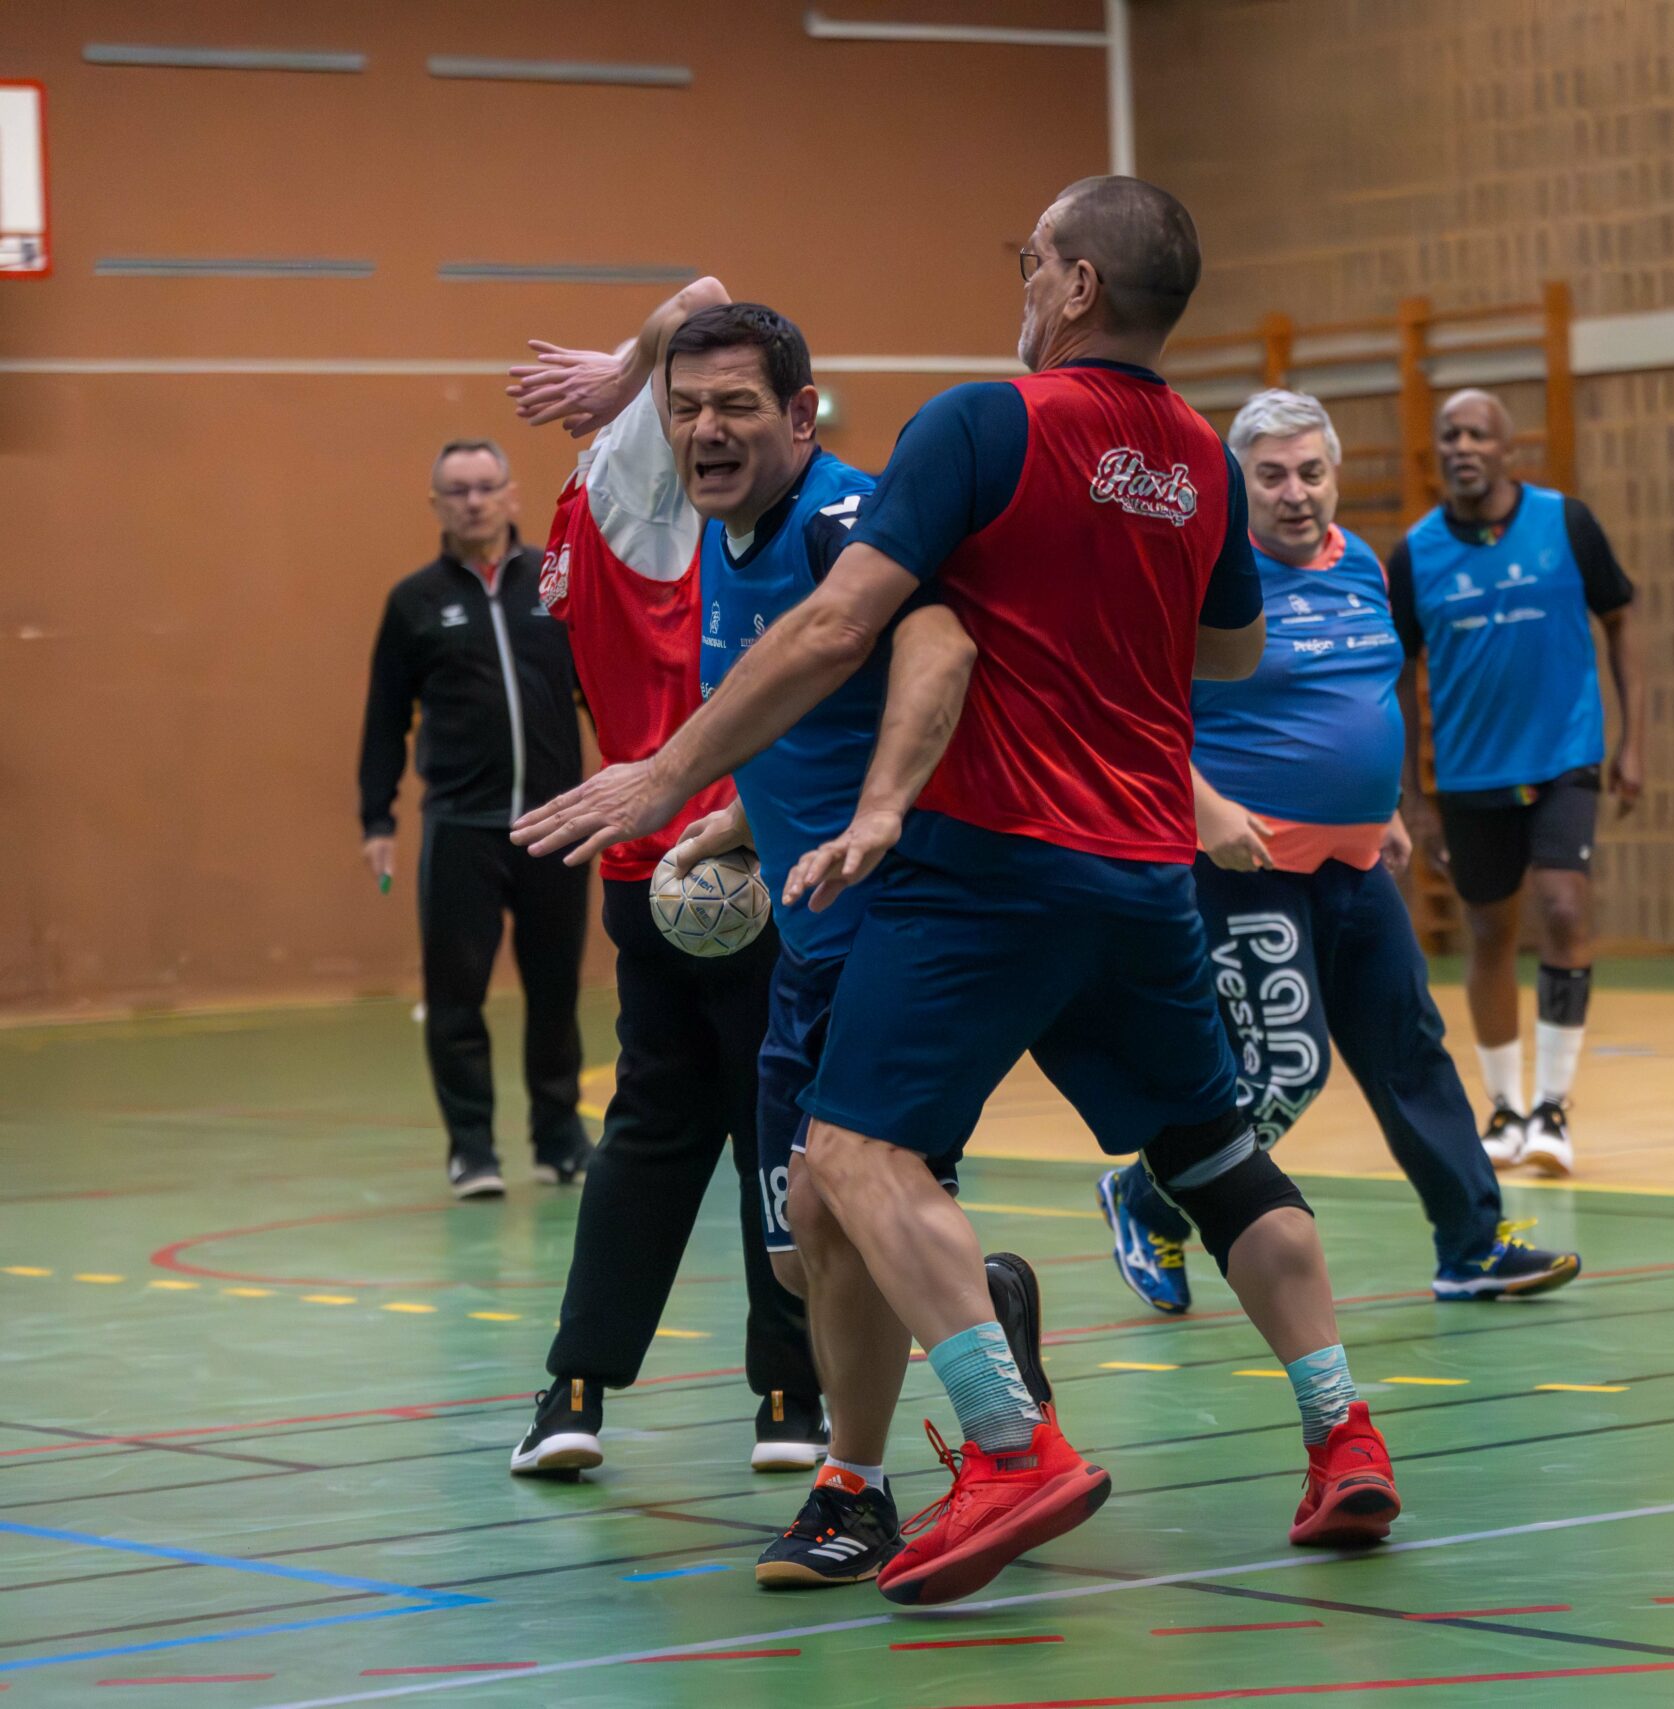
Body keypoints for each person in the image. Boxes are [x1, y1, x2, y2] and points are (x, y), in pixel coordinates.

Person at [518, 176, 1402, 1609]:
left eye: (1033, 255)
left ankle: (1004, 1447)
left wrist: (666, 773)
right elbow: (1225, 654)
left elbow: (852, 626)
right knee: (1216, 1160)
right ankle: (1341, 1432)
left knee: (847, 1169)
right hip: (1138, 875)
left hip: (986, 864)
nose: (1022, 273)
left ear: (1076, 288)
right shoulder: (1197, 456)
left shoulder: (985, 425)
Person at [512, 298, 1043, 1591]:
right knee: (806, 1251)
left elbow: (939, 643)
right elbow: (807, 722)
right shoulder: (725, 544)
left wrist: (873, 812)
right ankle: (991, 1334)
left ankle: (934, 1469)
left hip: (905, 926)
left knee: (845, 1211)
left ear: (801, 416)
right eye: (686, 408)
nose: (704, 428)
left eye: (735, 405)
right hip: (805, 932)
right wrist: (737, 825)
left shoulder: (844, 522)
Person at [1092, 388, 1580, 1312]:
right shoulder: (1204, 576)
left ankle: (1472, 1245)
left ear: (1335, 475)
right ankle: (1149, 1197)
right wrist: (1206, 812)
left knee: (1411, 1049)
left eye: (1311, 472)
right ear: (1238, 483)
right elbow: (1137, 719)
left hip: (1354, 861)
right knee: (1286, 1065)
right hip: (1248, 864)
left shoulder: (1359, 562)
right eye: (1270, 475)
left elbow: (1366, 688)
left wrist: (1386, 806)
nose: (1294, 492)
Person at [492, 277, 824, 1479]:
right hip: (731, 851)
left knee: (654, 1125)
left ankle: (576, 1388)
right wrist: (626, 363)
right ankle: (790, 1398)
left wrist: (627, 364)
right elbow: (710, 297)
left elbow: (702, 313)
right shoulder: (638, 488)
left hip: (656, 865)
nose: (703, 428)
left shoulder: (598, 507)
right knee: (768, 1127)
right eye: (684, 403)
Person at [1389, 389, 1646, 1177]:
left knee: (1564, 907)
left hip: (1565, 756)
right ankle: (1504, 1111)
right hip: (1470, 772)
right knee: (1491, 932)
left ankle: (1554, 1110)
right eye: (1449, 436)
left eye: (1478, 433)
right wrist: (1414, 795)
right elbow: (1399, 671)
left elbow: (1622, 618)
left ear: (1507, 447)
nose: (1463, 446)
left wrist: (1633, 738)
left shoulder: (1565, 524)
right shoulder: (1417, 553)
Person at [359, 438, 589, 1198]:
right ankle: (471, 1151)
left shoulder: (553, 586)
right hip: (462, 824)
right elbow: (384, 717)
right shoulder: (414, 602)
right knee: (456, 995)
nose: (473, 501)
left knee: (555, 990)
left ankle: (559, 1140)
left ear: (512, 495)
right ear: (437, 505)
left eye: (486, 486)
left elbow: (602, 690)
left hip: (556, 822)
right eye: (457, 490)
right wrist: (377, 819)